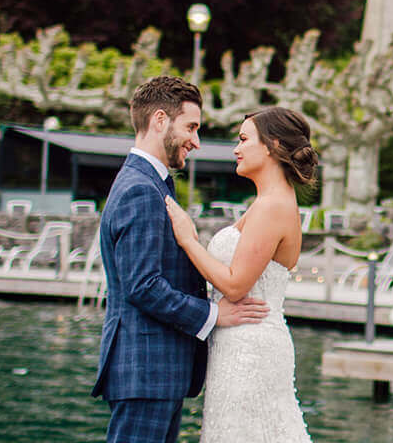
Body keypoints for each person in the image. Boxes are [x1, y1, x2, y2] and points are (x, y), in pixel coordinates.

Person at [93, 77, 269, 443]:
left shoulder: (150, 184)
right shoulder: (141, 189)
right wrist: (214, 315)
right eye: (190, 126)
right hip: (146, 370)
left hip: (155, 372)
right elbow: (143, 285)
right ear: (160, 120)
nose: (196, 140)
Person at [165, 106, 319, 443]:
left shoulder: (272, 206)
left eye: (243, 139)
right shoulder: (268, 202)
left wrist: (189, 240)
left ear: (271, 146)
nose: (236, 148)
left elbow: (235, 285)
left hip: (250, 349)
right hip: (242, 342)